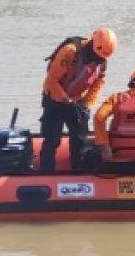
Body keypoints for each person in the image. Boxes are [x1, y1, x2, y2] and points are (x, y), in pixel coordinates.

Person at [39, 27, 117, 173]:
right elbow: (51, 81)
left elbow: (97, 85)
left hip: (76, 102)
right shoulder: (70, 51)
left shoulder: (101, 62)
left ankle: (79, 171)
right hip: (54, 99)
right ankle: (46, 172)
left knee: (79, 139)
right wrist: (65, 101)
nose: (98, 59)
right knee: (52, 139)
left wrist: (86, 105)